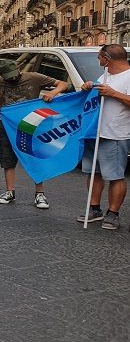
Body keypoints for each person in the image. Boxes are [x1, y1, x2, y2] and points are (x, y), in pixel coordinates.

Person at [0, 59, 67, 209]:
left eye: (13, 74)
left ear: (18, 69)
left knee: (35, 156)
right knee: (7, 158)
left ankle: (40, 194)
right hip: (8, 124)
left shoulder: (34, 77)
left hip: (32, 123)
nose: (11, 78)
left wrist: (53, 92)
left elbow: (63, 84)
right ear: (1, 75)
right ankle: (9, 192)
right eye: (7, 76)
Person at [77, 44, 130, 230]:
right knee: (93, 173)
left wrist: (113, 93)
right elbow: (99, 94)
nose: (98, 61)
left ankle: (113, 213)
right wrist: (89, 87)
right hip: (95, 132)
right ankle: (94, 209)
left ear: (107, 59)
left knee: (115, 176)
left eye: (100, 57)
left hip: (115, 133)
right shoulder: (105, 75)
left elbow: (115, 95)